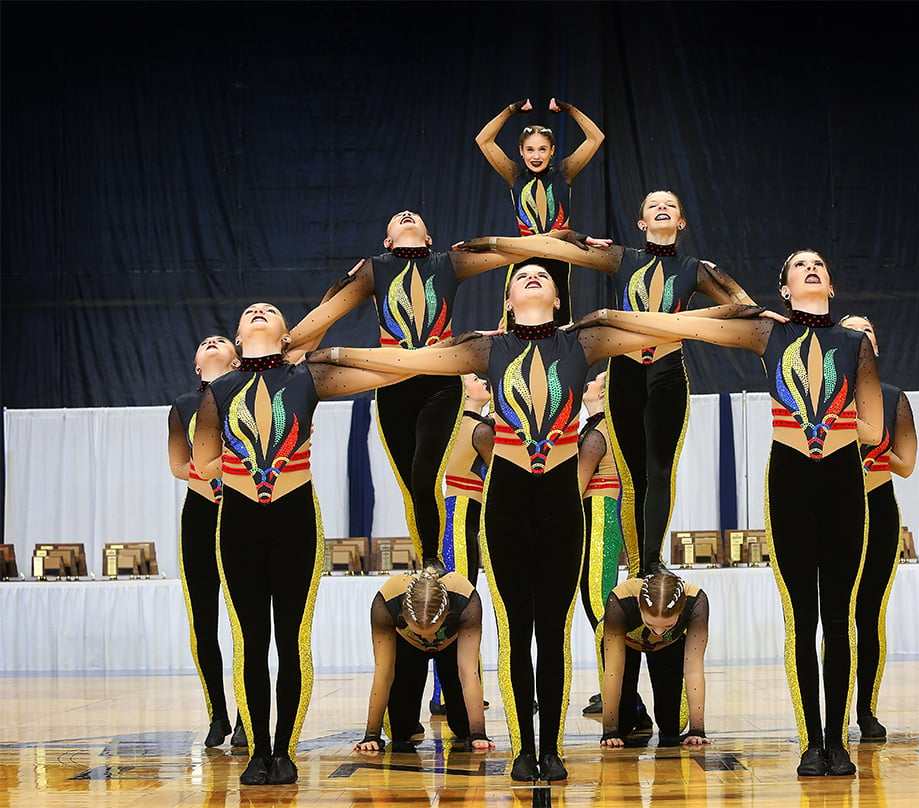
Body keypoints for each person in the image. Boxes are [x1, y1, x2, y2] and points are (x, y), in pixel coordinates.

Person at [306, 263, 763, 782]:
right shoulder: (485, 348)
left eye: (541, 277)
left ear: (557, 298)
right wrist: (333, 354)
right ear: (506, 300)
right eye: (520, 276)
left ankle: (552, 748)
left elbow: (669, 326)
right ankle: (525, 747)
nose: (532, 277)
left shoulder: (583, 342)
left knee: (553, 632)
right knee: (516, 633)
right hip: (506, 502)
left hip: (560, 506)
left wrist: (739, 310)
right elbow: (409, 359)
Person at [568, 249, 883, 777]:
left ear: (830, 283)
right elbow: (688, 325)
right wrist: (612, 319)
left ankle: (837, 741)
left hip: (842, 483)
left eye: (819, 265)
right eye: (798, 266)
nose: (810, 269)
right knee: (802, 619)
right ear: (782, 290)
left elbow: (872, 430)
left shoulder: (854, 345)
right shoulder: (766, 333)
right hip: (790, 483)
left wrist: (827, 414)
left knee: (839, 617)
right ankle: (811, 743)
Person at [454, 192, 766, 577]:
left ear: (681, 222)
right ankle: (638, 568)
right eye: (653, 205)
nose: (662, 208)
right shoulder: (623, 257)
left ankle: (653, 561)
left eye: (670, 204)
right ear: (641, 223)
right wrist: (498, 242)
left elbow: (745, 307)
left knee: (660, 470)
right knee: (632, 474)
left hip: (668, 372)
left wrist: (698, 315)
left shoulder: (696, 268)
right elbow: (557, 244)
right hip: (627, 373)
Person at [192, 303, 413, 786]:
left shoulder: (307, 376)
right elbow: (203, 460)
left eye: (269, 310)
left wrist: (421, 353)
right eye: (249, 311)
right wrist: (248, 469)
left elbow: (382, 373)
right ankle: (257, 753)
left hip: (296, 519)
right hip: (239, 523)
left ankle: (285, 751)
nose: (257, 312)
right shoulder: (218, 392)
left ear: (286, 332)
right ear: (237, 332)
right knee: (251, 641)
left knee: (291, 640)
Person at [285, 212, 521, 574]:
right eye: (397, 220)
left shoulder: (448, 263)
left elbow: (510, 252)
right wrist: (282, 343)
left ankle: (433, 560)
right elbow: (326, 315)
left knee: (425, 474)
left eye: (414, 217)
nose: (406, 216)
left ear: (429, 239)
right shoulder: (375, 270)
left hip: (440, 380)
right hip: (391, 383)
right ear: (387, 242)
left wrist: (566, 240)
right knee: (412, 487)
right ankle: (426, 564)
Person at [839, 315, 918, 741]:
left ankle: (866, 711)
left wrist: (872, 446)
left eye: (868, 332)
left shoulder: (892, 398)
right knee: (836, 615)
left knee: (869, 616)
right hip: (836, 508)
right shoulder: (822, 397)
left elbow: (907, 465)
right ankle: (832, 713)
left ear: (876, 347)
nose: (861, 339)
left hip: (879, 505)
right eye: (852, 333)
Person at [167, 335, 247, 750]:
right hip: (199, 515)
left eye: (220, 340)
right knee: (204, 621)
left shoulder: (249, 396)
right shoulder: (183, 404)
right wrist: (212, 471)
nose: (212, 343)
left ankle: (246, 716)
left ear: (237, 360)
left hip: (240, 510)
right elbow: (179, 465)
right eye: (204, 343)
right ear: (197, 365)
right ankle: (217, 713)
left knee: (243, 621)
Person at [476, 97, 605, 325]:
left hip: (559, 255)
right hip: (524, 254)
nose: (536, 156)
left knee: (560, 325)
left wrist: (569, 108)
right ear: (521, 152)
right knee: (515, 324)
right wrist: (511, 109)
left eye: (542, 149)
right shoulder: (514, 174)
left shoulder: (564, 172)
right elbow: (483, 141)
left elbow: (596, 138)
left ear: (552, 150)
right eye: (530, 150)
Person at [354, 570, 493, 754]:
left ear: (447, 615)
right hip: (408, 647)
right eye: (420, 632)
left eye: (434, 630)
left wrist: (478, 734)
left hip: (451, 645)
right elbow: (384, 672)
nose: (429, 638)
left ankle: (469, 727)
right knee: (401, 731)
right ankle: (409, 721)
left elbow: (468, 673)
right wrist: (371, 735)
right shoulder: (387, 603)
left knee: (464, 728)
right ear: (403, 616)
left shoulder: (465, 601)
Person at [430, 373, 493, 717]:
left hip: (458, 513)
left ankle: (447, 690)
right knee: (461, 602)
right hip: (461, 515)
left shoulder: (456, 425)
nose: (483, 381)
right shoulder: (477, 428)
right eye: (475, 378)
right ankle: (452, 691)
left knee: (454, 603)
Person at [598, 573, 709, 748]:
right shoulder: (621, 600)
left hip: (669, 645)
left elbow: (694, 668)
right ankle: (638, 712)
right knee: (623, 726)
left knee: (672, 726)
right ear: (640, 608)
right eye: (650, 625)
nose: (658, 632)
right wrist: (609, 730)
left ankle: (656, 716)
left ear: (680, 611)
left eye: (667, 626)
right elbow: (614, 671)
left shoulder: (696, 602)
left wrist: (697, 729)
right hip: (626, 643)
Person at [576, 371, 625, 717]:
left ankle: (620, 695)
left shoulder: (597, 435)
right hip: (604, 515)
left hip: (599, 515)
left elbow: (575, 487)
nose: (587, 382)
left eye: (593, 380)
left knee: (598, 605)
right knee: (599, 606)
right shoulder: (609, 428)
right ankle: (612, 688)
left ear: (604, 394)